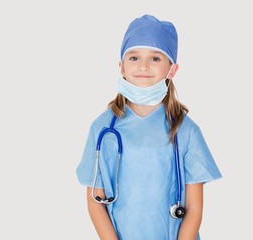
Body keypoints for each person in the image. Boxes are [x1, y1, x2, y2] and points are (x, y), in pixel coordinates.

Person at [76, 14, 222, 240]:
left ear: (172, 70)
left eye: (155, 58)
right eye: (133, 57)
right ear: (121, 67)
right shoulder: (102, 128)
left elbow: (194, 209)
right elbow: (95, 201)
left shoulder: (185, 130)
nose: (143, 66)